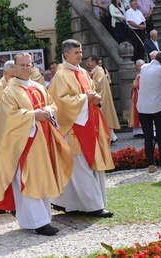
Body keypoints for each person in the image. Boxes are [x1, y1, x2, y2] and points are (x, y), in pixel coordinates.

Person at [0, 52, 73, 236]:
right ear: (15, 68)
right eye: (23, 65)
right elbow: (8, 117)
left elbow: (52, 105)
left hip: (44, 139)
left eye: (29, 65)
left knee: (44, 177)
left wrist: (47, 111)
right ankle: (39, 223)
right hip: (26, 141)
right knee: (30, 179)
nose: (27, 68)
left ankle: (35, 219)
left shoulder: (38, 86)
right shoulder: (10, 91)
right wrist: (32, 115)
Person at [49, 39, 114, 217]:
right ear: (66, 54)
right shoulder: (61, 75)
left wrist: (94, 97)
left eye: (81, 51)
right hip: (73, 127)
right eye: (76, 52)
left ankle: (66, 202)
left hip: (88, 122)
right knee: (79, 166)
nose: (81, 55)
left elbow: (90, 91)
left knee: (81, 166)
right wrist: (86, 98)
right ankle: (94, 206)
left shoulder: (83, 72)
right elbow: (61, 101)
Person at [138, 51, 161, 173]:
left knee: (148, 137)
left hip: (143, 107)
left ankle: (151, 165)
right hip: (156, 106)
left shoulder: (144, 67)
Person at [86, 55, 120, 142]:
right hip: (98, 97)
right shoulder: (93, 71)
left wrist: (86, 84)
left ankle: (110, 137)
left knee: (104, 117)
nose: (87, 63)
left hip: (102, 97)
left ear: (94, 62)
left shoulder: (99, 72)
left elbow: (97, 85)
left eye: (89, 61)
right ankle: (111, 137)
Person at [129, 59, 144, 137]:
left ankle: (142, 131)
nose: (137, 67)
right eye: (136, 66)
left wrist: (136, 86)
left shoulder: (144, 74)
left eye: (138, 65)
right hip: (136, 96)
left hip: (141, 95)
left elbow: (144, 85)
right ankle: (138, 131)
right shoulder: (138, 75)